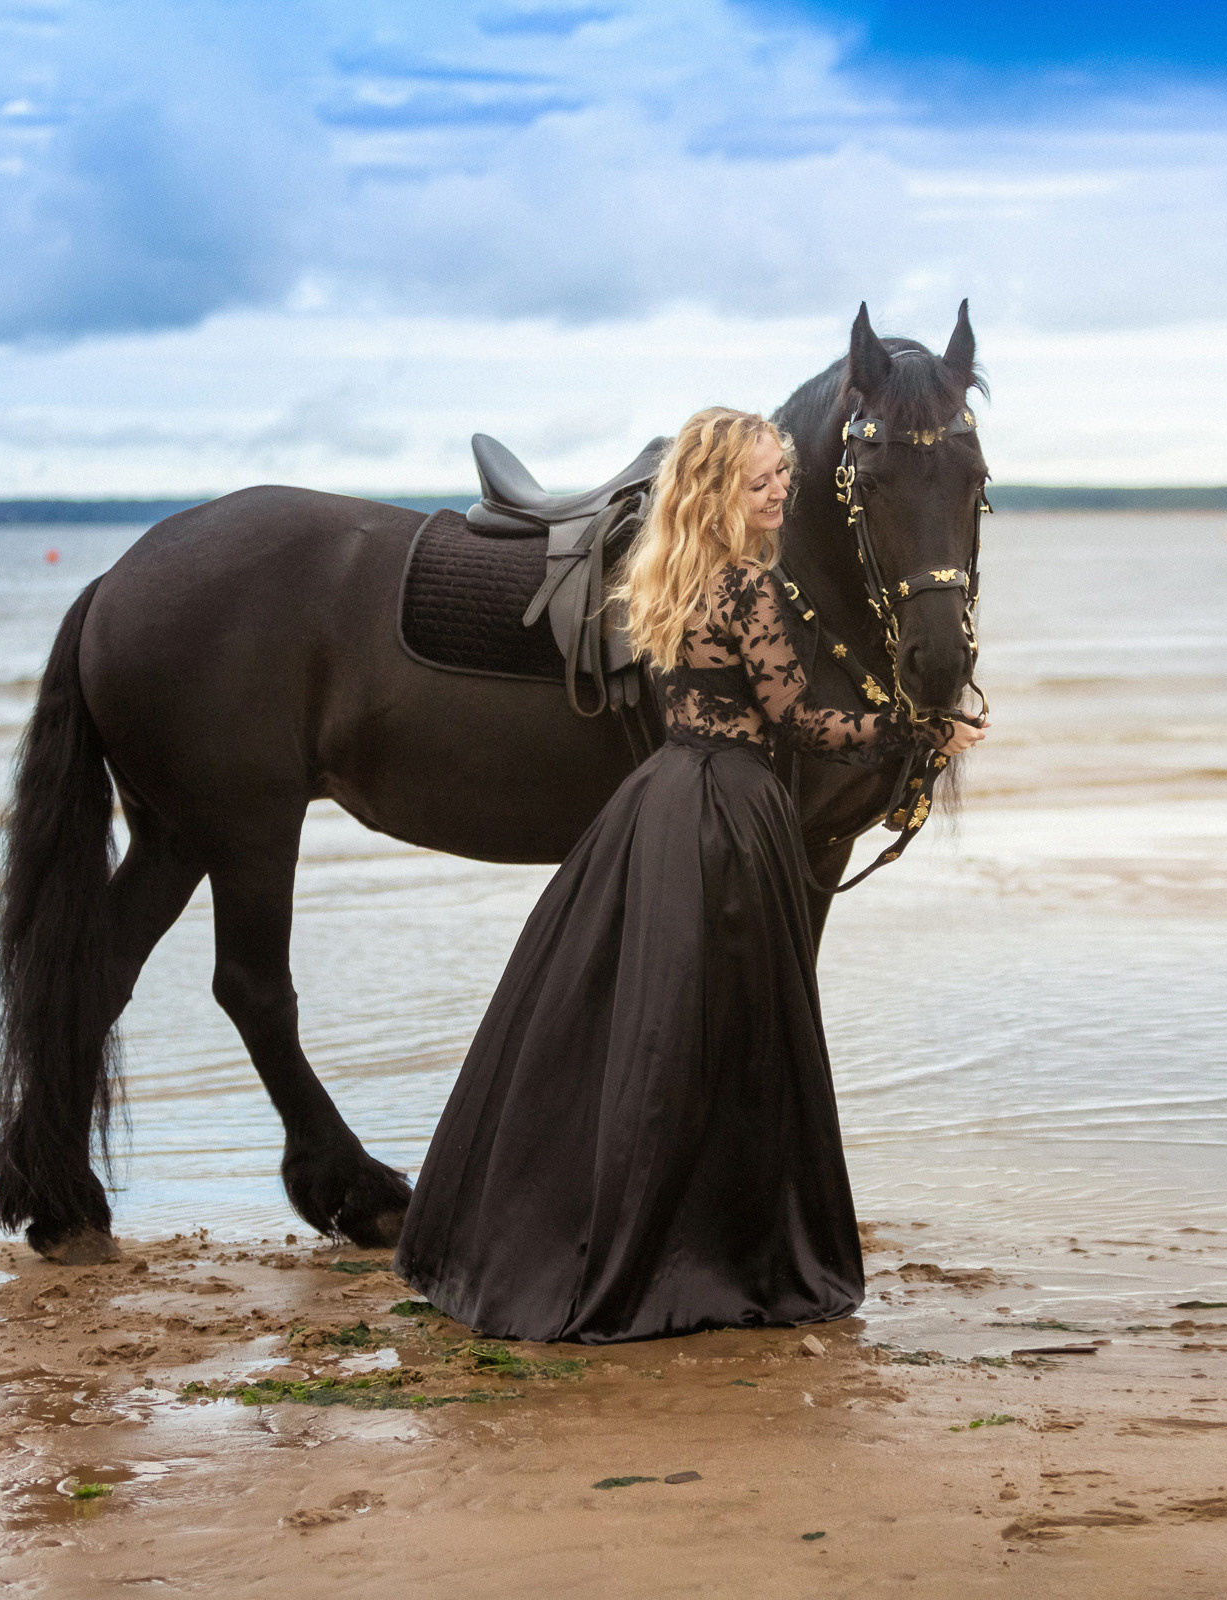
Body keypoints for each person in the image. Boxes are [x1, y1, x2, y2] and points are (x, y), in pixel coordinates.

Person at [392, 406, 986, 1344]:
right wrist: (921, 730)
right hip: (731, 815)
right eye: (760, 481)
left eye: (782, 475)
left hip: (660, 801)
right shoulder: (749, 588)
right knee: (736, 1037)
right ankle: (717, 1248)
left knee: (642, 1031)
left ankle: (614, 1229)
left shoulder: (665, 577)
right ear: (716, 493)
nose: (780, 491)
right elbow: (803, 724)